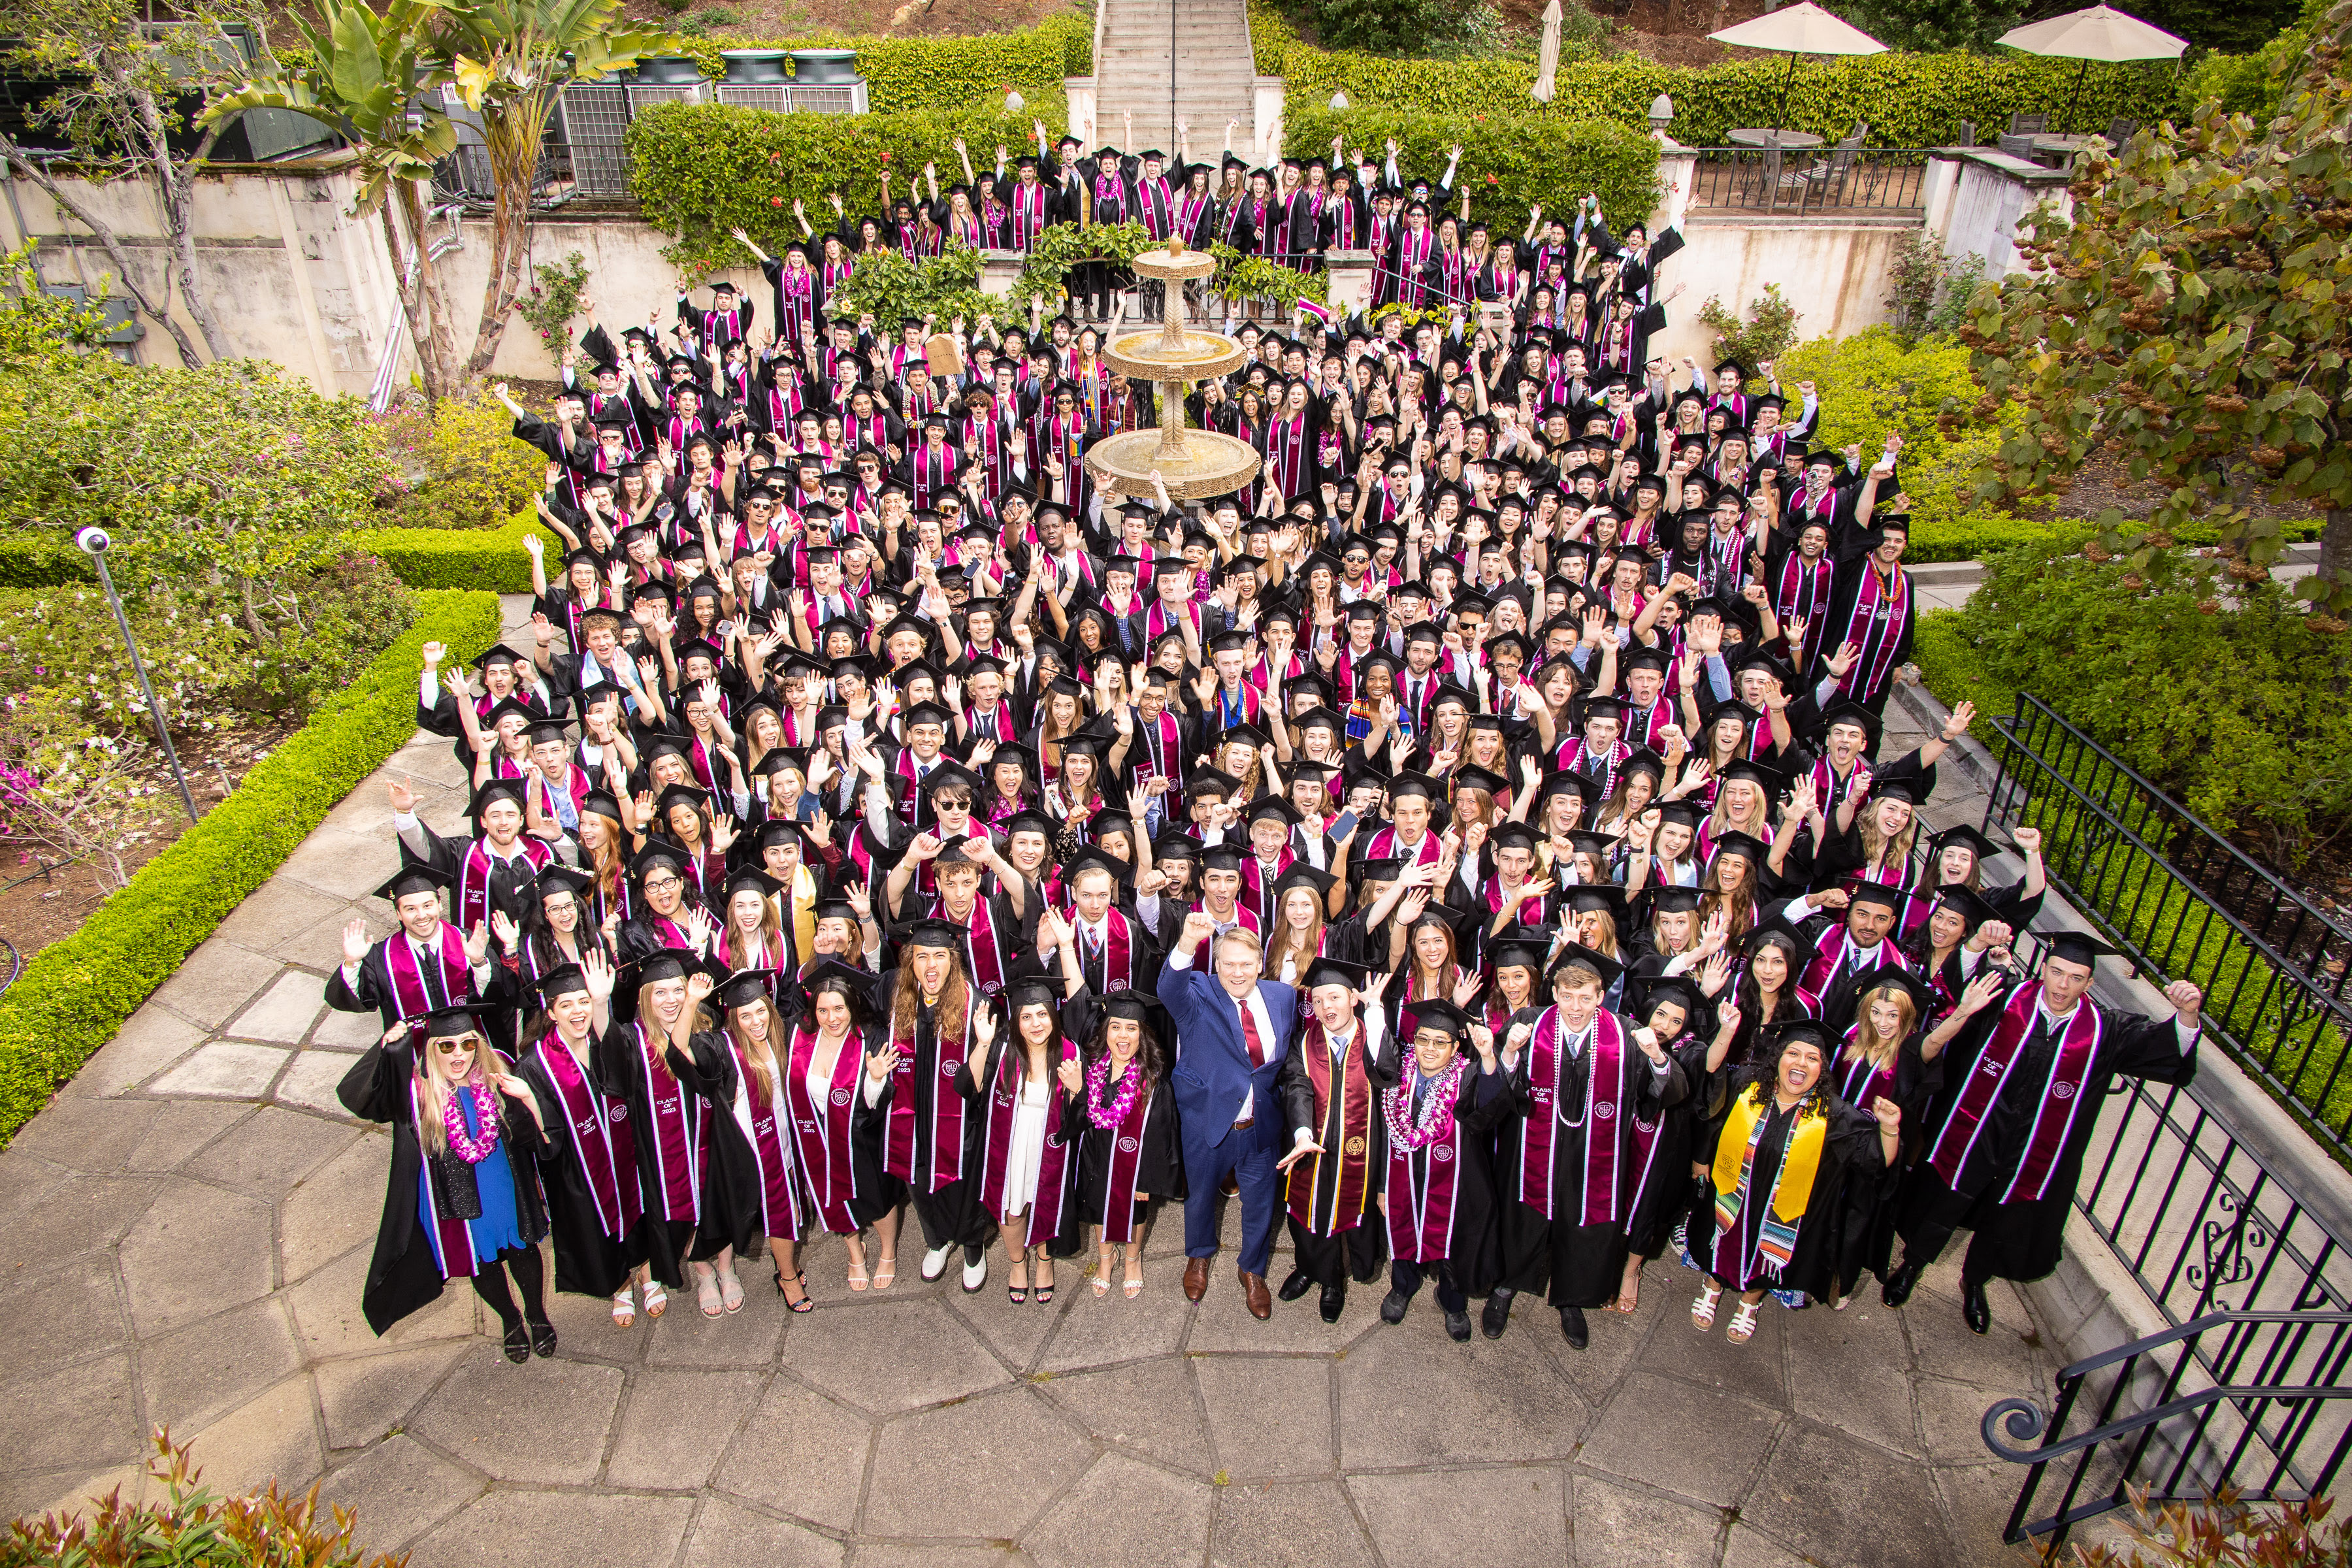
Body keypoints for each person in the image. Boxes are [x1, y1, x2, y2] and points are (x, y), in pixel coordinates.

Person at [1882, 930, 2203, 1335]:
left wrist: (2187, 1015)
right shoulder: (2007, 1000)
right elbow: (1961, 981)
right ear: (2044, 969)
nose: (2062, 986)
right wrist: (1979, 943)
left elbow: (2165, 1049)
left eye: (2075, 978)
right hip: (1978, 1127)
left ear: (2089, 983)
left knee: (2005, 1213)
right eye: (2057, 972)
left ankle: (1975, 1280)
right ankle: (1912, 1264)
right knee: (1947, 1198)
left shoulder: (2104, 1029)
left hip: (2034, 1143)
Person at [1488, 943, 1689, 1350]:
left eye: (1585, 998)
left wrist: (1657, 1058)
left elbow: (1671, 1093)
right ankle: (1507, 1286)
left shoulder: (1628, 1035)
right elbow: (1495, 1085)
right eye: (1566, 996)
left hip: (1594, 1151)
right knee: (1523, 1215)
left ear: (1601, 997)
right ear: (1555, 992)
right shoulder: (1529, 1022)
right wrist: (1509, 1051)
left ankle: (1572, 1297)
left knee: (1583, 1219)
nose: (1575, 1007)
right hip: (1533, 1146)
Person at [338, 1002, 557, 1362]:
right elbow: (356, 1096)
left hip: (503, 1182)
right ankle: (511, 1320)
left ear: (479, 1045)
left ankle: (537, 1315)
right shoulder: (416, 1092)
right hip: (456, 1193)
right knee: (481, 1262)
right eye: (447, 1046)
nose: (459, 1055)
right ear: (431, 1047)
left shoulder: (498, 1070)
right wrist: (384, 1049)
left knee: (523, 1249)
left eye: (468, 1045)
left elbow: (535, 1121)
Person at [1685, 1020, 1895, 1344]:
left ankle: (1749, 1302)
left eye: (1812, 1058)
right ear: (1778, 1058)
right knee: (1724, 1238)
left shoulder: (1834, 1115)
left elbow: (1876, 1159)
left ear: (1822, 1070)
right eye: (1793, 1053)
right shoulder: (1747, 1086)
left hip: (1784, 1208)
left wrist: (1890, 1130)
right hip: (1731, 1194)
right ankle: (1712, 1287)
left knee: (1765, 1251)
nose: (1801, 1063)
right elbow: (1710, 1093)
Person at [1162, 912, 1301, 1318]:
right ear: (1216, 965)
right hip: (1209, 1121)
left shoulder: (1283, 997)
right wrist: (1188, 940)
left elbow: (1281, 1060)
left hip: (1261, 1125)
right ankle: (1199, 1255)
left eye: (1246, 964)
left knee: (1260, 1203)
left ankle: (1253, 1269)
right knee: (1202, 1196)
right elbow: (1168, 988)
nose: (1237, 973)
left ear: (1260, 963)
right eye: (1229, 964)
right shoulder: (1198, 994)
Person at [512, 955, 658, 1327]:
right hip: (580, 1169)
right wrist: (529, 1101)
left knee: (638, 1213)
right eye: (566, 1004)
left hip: (627, 1154)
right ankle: (620, 1283)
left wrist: (601, 1004)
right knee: (599, 1224)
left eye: (583, 1001)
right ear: (551, 1013)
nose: (577, 1011)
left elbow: (631, 1075)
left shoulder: (608, 1037)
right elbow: (541, 1138)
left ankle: (645, 1272)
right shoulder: (535, 1065)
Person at [1378, 998, 1514, 1341]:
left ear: (1456, 1047)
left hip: (1454, 1181)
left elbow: (1490, 1108)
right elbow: (1385, 1136)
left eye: (1440, 1042)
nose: (1430, 1049)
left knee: (1452, 1240)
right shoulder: (1398, 1077)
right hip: (1404, 1174)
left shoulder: (1466, 1076)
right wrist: (1382, 1186)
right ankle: (1403, 1285)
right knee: (1403, 1223)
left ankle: (1452, 1300)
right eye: (1423, 1039)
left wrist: (1487, 1057)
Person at [1275, 957, 1396, 1322]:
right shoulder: (1305, 1041)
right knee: (1307, 1211)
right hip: (1312, 1146)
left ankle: (1334, 1282)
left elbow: (1387, 1073)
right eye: (1318, 1001)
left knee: (1350, 1213)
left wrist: (1377, 1016)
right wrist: (1301, 1133)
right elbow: (1297, 1087)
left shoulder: (1372, 1037)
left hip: (1361, 1148)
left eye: (1335, 998)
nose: (1327, 1008)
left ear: (1353, 998)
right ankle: (1311, 1268)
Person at [881, 917, 998, 1291]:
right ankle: (936, 1241)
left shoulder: (977, 1005)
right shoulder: (898, 1000)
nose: (931, 966)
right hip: (911, 1118)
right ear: (910, 961)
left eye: (939, 956)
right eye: (922, 957)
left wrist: (982, 1044)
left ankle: (971, 1246)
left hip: (961, 1118)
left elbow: (989, 1078)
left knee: (963, 1183)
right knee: (917, 1179)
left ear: (953, 959)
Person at [791, 959, 905, 1290]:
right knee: (834, 1198)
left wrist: (875, 1078)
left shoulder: (871, 1038)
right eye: (823, 1011)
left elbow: (879, 1103)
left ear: (852, 1005)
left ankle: (887, 1251)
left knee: (878, 1197)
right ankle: (855, 1252)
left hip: (863, 1136)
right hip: (820, 1140)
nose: (832, 1018)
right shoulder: (801, 1039)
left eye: (838, 1008)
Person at [1064, 988, 1180, 1299]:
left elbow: (1161, 1136)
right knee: (1097, 1207)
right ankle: (1105, 1259)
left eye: (1132, 1028)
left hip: (1134, 1165)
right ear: (1106, 1031)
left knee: (1136, 1212)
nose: (1123, 1035)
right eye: (1115, 1026)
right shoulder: (1093, 1070)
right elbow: (1084, 1121)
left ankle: (1132, 1258)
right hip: (1096, 1157)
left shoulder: (1153, 1082)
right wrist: (1078, 1091)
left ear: (1143, 1034)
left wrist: (1148, 1181)